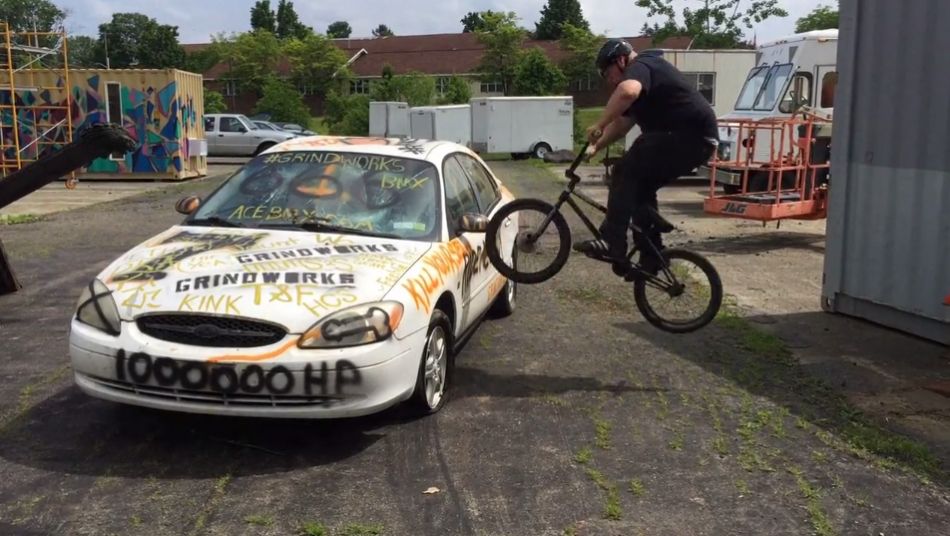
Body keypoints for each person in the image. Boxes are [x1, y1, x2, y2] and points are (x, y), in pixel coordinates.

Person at [575, 39, 719, 275]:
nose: (609, 80)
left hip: (688, 136)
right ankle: (652, 256)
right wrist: (596, 146)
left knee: (623, 170)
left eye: (607, 72)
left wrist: (599, 123)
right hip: (694, 141)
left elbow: (627, 91)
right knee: (638, 190)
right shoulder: (643, 79)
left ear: (621, 60)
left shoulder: (642, 65)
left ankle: (612, 241)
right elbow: (622, 124)